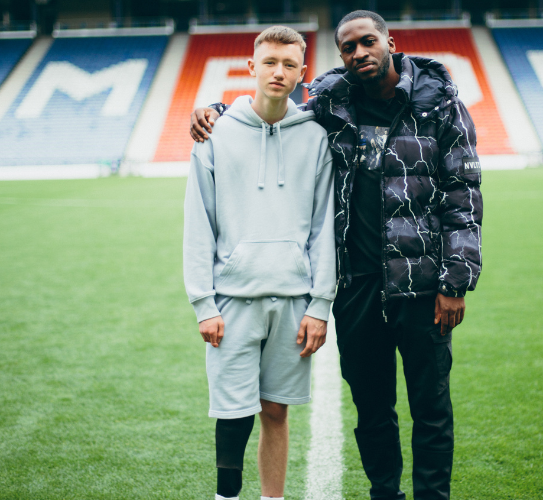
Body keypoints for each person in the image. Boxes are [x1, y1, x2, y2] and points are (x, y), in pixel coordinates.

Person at [191, 11, 482, 499]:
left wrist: (456, 282)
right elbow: (270, 103)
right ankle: (383, 493)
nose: (360, 53)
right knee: (371, 409)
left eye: (368, 42)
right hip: (358, 286)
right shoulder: (334, 101)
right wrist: (219, 109)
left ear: (390, 41)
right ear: (340, 56)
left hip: (422, 284)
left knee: (431, 409)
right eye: (348, 48)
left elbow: (463, 194)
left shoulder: (440, 104)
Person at [182, 26, 335, 500]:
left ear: (301, 73)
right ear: (251, 67)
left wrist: (320, 305)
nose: (278, 71)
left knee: (276, 412)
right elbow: (197, 222)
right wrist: (204, 303)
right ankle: (226, 497)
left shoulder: (315, 136)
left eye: (289, 64)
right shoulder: (212, 134)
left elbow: (323, 226)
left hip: (293, 301)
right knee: (231, 412)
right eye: (269, 62)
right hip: (232, 301)